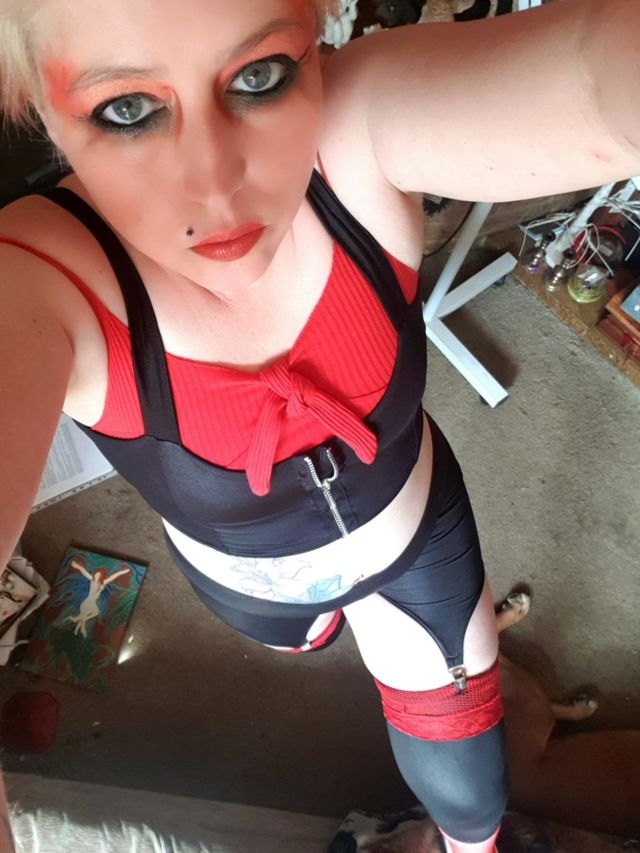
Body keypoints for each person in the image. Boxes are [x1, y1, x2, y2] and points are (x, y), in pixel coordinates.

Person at [0, 0, 638, 850]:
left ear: (315, 30)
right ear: (34, 105)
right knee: (308, 638)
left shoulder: (356, 129)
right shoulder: (31, 280)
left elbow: (597, 75)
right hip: (256, 595)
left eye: (259, 76)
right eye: (126, 109)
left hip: (420, 542)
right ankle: (324, 623)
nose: (217, 185)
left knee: (471, 800)